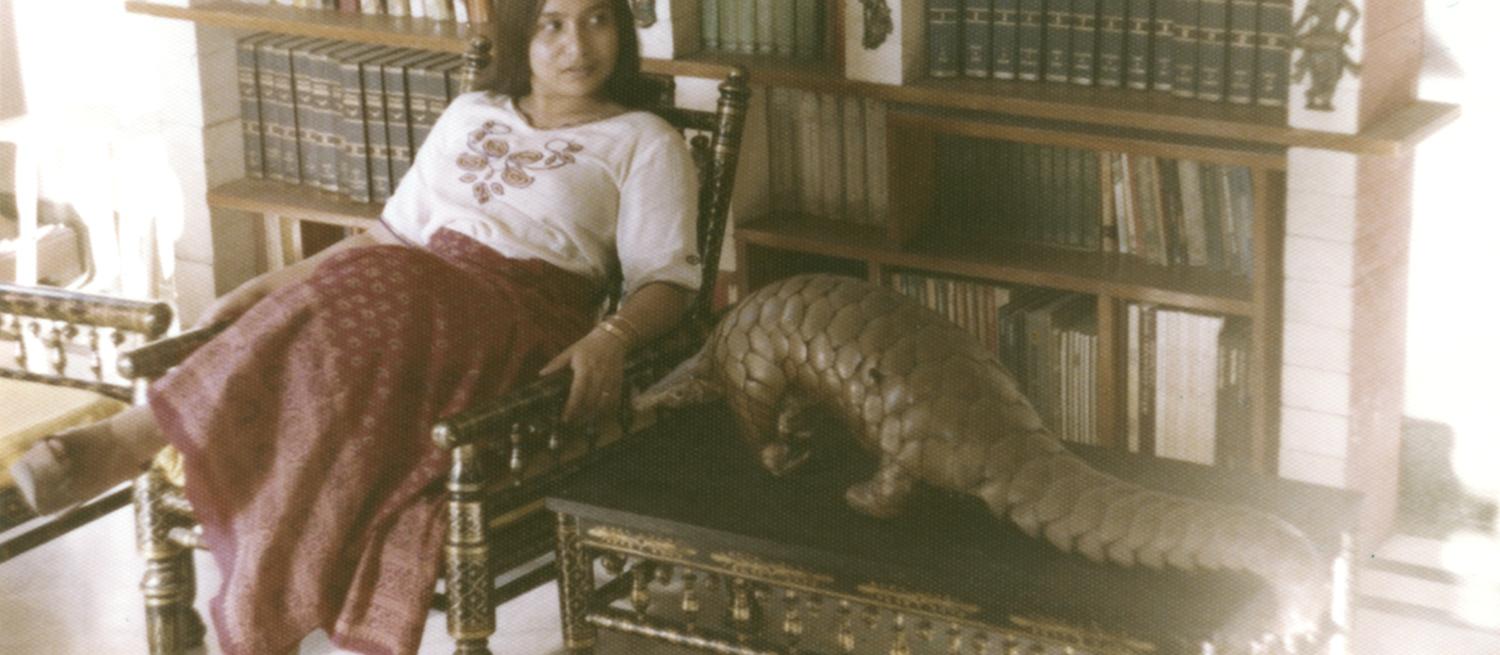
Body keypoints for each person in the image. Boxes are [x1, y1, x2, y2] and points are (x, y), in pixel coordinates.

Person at [8, 0, 702, 652]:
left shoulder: (643, 139)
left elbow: (667, 281)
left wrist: (613, 338)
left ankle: (131, 437)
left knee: (395, 279)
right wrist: (260, 288)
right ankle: (167, 460)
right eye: (552, 23)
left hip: (519, 320)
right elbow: (386, 236)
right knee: (379, 283)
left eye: (598, 20)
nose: (577, 45)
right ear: (521, 30)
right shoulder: (471, 112)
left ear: (623, 31)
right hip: (413, 303)